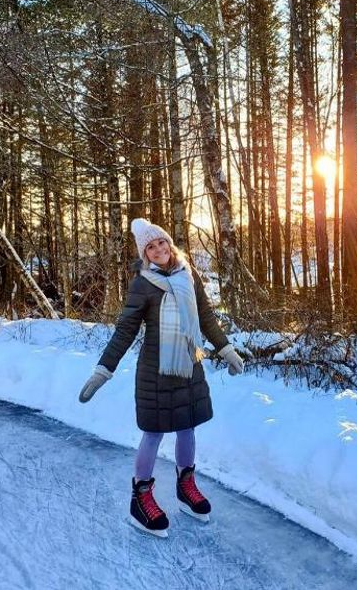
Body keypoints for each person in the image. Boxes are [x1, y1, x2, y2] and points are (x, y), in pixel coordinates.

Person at [78, 219, 246, 537]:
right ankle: (140, 498)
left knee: (187, 426)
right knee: (153, 433)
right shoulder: (142, 284)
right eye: (150, 247)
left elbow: (205, 316)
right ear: (145, 254)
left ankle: (186, 486)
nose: (158, 250)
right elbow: (125, 330)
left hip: (188, 365)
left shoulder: (188, 274)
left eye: (161, 243)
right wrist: (103, 370)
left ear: (169, 243)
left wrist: (225, 349)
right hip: (155, 372)